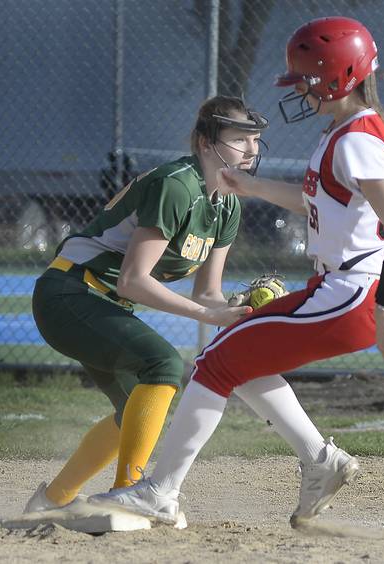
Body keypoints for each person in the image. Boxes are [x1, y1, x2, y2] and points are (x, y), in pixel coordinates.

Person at [89, 16, 384, 527]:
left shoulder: (356, 138)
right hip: (338, 286)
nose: (302, 91)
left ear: (334, 77)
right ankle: (320, 461)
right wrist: (252, 188)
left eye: (306, 80)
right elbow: (320, 202)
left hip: (352, 291)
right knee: (237, 358)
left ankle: (159, 491)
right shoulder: (349, 131)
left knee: (214, 363)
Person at [22, 95, 268, 514]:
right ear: (207, 143)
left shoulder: (226, 205)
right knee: (165, 366)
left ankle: (49, 502)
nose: (252, 150)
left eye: (256, 140)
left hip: (104, 302)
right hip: (69, 292)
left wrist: (242, 310)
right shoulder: (178, 184)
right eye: (240, 138)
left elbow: (207, 293)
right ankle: (128, 497)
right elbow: (136, 280)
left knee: (135, 407)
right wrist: (208, 315)